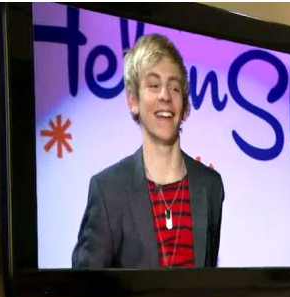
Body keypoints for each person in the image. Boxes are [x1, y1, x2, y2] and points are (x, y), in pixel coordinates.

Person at [71, 33, 224, 269]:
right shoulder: (108, 191)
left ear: (184, 107)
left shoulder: (210, 185)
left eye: (174, 87)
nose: (165, 95)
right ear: (133, 101)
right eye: (154, 85)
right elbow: (83, 288)